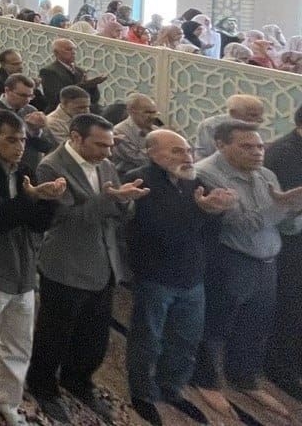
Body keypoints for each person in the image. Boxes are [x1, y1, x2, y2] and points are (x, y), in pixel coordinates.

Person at [27, 113, 145, 422]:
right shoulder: (52, 166)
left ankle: (78, 380)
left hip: (104, 263)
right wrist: (110, 199)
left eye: (110, 145)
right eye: (100, 145)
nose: (108, 152)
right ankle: (42, 385)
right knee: (55, 333)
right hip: (67, 264)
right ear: (76, 138)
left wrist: (123, 201)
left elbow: (121, 211)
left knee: (93, 335)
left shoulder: (105, 165)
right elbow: (67, 219)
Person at [0, 109, 66, 426]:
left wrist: (49, 199)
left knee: (18, 346)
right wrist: (30, 197)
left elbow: (38, 225)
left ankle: (5, 399)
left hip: (23, 272)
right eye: (11, 140)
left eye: (22, 140)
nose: (19, 147)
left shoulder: (24, 170)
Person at [124, 130, 235, 425]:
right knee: (148, 338)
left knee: (186, 340)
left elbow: (207, 231)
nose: (187, 157)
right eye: (176, 151)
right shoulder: (139, 181)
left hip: (192, 276)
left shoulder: (194, 181)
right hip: (155, 275)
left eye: (188, 150)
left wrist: (216, 211)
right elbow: (158, 231)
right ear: (152, 153)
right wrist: (201, 211)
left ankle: (171, 388)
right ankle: (142, 393)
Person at [191, 119, 302, 418]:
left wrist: (294, 209)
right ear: (221, 144)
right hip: (229, 260)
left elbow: (283, 225)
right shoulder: (206, 174)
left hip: (267, 261)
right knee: (216, 324)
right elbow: (240, 224)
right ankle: (206, 380)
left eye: (260, 146)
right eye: (247, 147)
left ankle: (245, 379)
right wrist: (283, 204)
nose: (257, 152)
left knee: (256, 325)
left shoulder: (265, 174)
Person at [265, 104, 302, 400]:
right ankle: (281, 369)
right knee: (291, 307)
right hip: (289, 244)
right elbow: (286, 207)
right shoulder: (283, 153)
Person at [0, 73, 56, 169]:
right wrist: (29, 128)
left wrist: (40, 129)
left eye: (30, 96)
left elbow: (47, 145)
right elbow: (3, 140)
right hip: (3, 166)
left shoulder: (31, 110)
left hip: (31, 166)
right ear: (7, 91)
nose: (27, 100)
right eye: (23, 95)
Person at [38, 39, 106, 114]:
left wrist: (93, 85)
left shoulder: (80, 71)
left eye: (74, 49)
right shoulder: (49, 71)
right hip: (61, 111)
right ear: (56, 53)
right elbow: (55, 98)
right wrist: (85, 85)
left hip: (83, 110)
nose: (73, 52)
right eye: (68, 49)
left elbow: (94, 99)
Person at [192, 94, 265, 160]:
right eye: (253, 115)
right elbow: (204, 155)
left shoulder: (254, 126)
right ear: (233, 113)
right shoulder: (210, 126)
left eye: (260, 116)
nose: (260, 120)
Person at [112, 93, 162, 177]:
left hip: (152, 174)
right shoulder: (119, 131)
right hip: (127, 176)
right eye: (147, 112)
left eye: (154, 113)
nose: (153, 117)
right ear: (131, 112)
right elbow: (140, 160)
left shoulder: (156, 130)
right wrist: (158, 151)